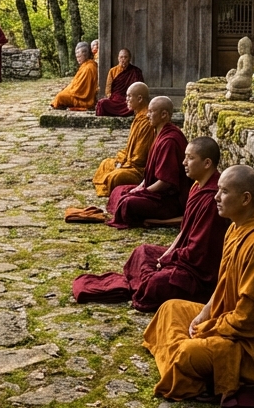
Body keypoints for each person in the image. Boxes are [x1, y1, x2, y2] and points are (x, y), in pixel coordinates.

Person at [142, 165, 254, 408]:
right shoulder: (234, 227)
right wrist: (204, 315)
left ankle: (190, 368)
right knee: (170, 308)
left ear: (245, 199)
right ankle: (186, 366)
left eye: (223, 192)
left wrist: (209, 328)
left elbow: (250, 321)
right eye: (218, 190)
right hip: (228, 322)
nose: (216, 197)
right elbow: (224, 284)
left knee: (189, 351)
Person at [74, 137, 230, 312]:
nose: (184, 162)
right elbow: (184, 231)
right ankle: (142, 280)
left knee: (155, 284)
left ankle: (143, 282)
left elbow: (199, 255)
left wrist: (168, 259)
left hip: (199, 276)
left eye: (190, 158)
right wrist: (166, 256)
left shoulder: (212, 200)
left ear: (207, 163)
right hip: (184, 256)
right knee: (142, 252)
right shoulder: (197, 186)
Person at [107, 96, 189, 229]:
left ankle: (154, 218)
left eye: (151, 112)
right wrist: (140, 187)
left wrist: (143, 192)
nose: (147, 115)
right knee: (118, 190)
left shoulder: (170, 141)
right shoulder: (159, 134)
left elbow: (166, 182)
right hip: (155, 194)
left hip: (169, 202)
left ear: (164, 114)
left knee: (128, 203)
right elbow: (151, 173)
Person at [92, 83, 154, 196]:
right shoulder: (138, 116)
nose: (126, 100)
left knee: (115, 177)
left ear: (140, 98)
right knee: (105, 163)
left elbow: (139, 159)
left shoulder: (146, 121)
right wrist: (120, 159)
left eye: (129, 96)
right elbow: (130, 147)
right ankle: (107, 181)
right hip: (129, 162)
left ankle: (107, 183)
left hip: (139, 170)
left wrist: (123, 163)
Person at [96, 48, 145, 117]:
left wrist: (132, 99)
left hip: (129, 99)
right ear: (118, 58)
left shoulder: (136, 71)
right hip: (115, 99)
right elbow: (108, 88)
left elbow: (141, 88)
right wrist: (110, 96)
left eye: (125, 57)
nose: (123, 59)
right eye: (121, 57)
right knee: (101, 103)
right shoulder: (112, 71)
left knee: (133, 107)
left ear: (129, 58)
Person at [51, 41, 98, 111]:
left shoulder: (89, 67)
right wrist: (67, 88)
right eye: (77, 57)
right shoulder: (85, 65)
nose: (77, 59)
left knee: (60, 97)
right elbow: (76, 82)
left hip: (84, 99)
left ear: (86, 55)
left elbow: (80, 90)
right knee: (62, 93)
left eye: (79, 56)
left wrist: (69, 90)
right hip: (77, 92)